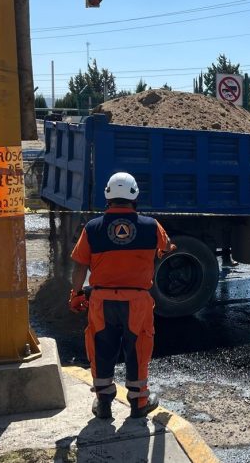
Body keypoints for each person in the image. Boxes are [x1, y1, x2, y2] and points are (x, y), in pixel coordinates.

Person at [68, 172, 175, 419]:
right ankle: (139, 403)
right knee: (138, 347)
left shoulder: (93, 227)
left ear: (108, 195)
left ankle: (104, 403)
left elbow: (80, 266)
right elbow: (167, 247)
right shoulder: (151, 225)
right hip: (137, 302)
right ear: (134, 195)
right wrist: (163, 250)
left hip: (101, 301)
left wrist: (76, 294)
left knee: (101, 347)